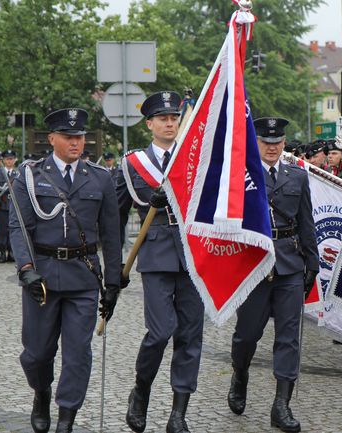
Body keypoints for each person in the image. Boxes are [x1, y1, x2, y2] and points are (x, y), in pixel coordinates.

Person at [9, 107, 122, 433]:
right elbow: (19, 228)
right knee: (36, 353)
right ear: (52, 139)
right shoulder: (29, 176)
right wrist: (27, 270)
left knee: (77, 354)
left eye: (80, 136)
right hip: (41, 277)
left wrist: (112, 284)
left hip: (83, 277)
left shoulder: (99, 178)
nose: (76, 142)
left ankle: (66, 419)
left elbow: (112, 235)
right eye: (69, 137)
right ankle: (41, 393)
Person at [117, 91, 205, 433]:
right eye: (163, 119)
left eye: (174, 118)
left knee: (191, 334)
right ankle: (140, 391)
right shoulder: (133, 163)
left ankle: (178, 412)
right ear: (149, 124)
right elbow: (116, 213)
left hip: (192, 255)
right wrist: (113, 269)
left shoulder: (195, 158)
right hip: (154, 254)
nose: (170, 123)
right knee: (160, 331)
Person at [228, 116, 319, 433]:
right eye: (266, 143)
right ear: (258, 144)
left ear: (283, 144)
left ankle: (281, 405)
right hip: (254, 264)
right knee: (247, 334)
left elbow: (306, 221)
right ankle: (240, 373)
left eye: (277, 142)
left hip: (290, 264)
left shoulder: (297, 176)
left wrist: (314, 261)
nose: (272, 147)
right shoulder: (243, 177)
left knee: (288, 338)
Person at [0, 150, 19, 262]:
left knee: (12, 230)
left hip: (14, 206)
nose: (9, 161)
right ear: (3, 160)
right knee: (2, 230)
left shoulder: (17, 174)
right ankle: (2, 253)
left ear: (14, 160)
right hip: (2, 205)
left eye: (11, 159)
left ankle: (12, 253)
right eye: (7, 159)